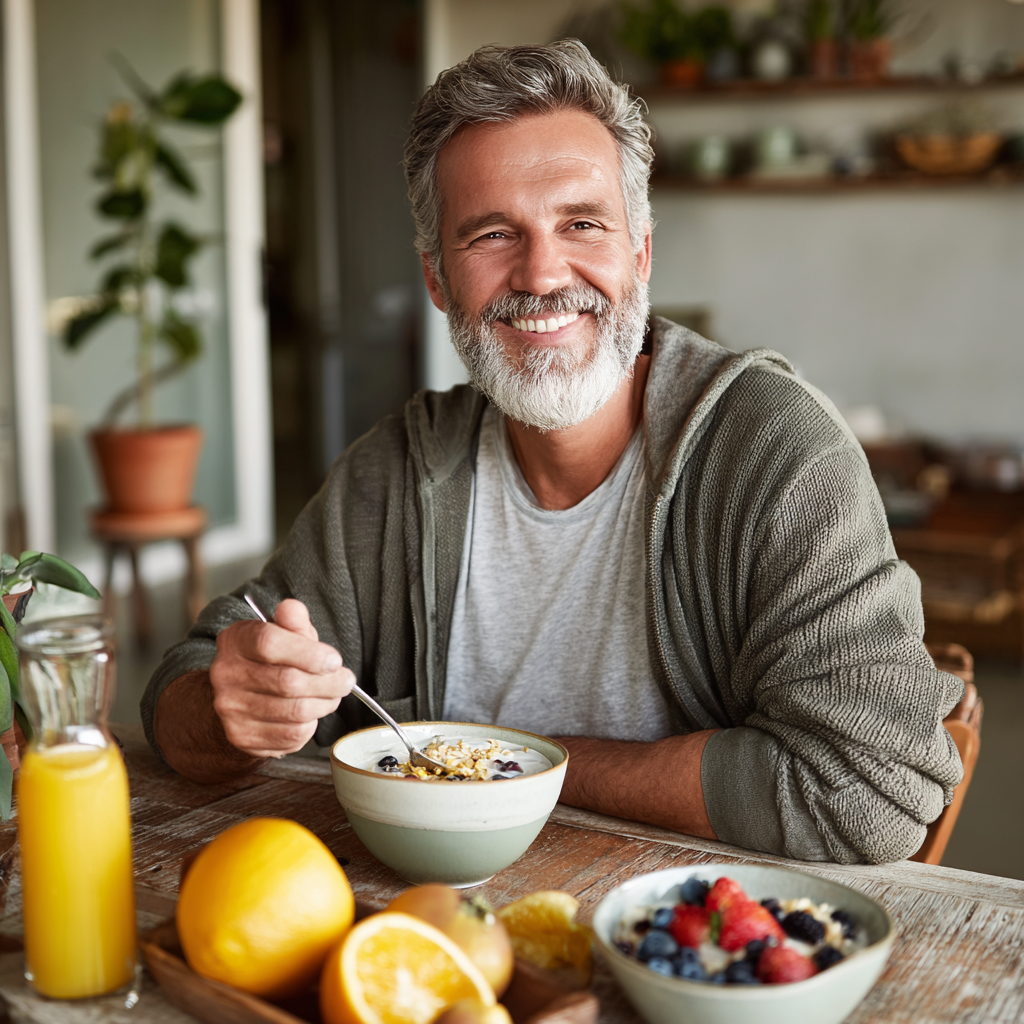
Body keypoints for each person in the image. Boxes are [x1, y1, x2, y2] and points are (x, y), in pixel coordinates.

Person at [143, 40, 963, 864]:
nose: (540, 274)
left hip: (686, 947)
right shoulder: (396, 473)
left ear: (639, 252)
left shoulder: (776, 455)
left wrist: (518, 766)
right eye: (493, 233)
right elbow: (183, 687)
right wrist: (233, 709)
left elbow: (873, 790)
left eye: (581, 223)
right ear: (436, 278)